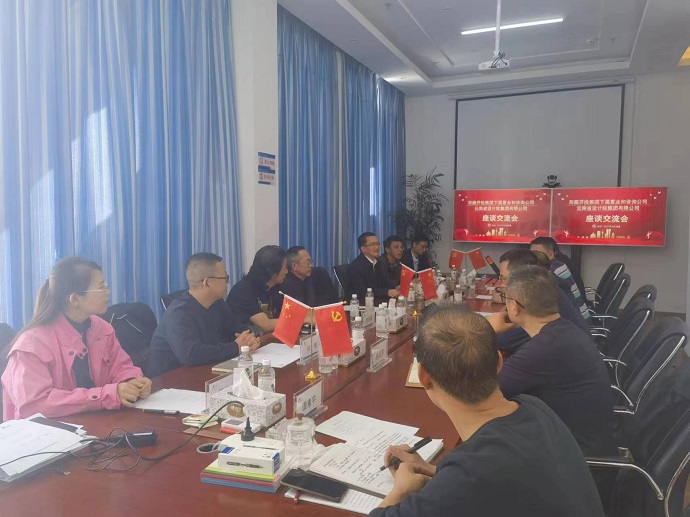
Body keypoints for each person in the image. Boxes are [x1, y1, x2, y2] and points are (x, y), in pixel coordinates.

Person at [370, 307, 604, 517]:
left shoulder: (471, 474)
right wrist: (438, 472)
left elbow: (476, 480)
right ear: (499, 362)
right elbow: (506, 483)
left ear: (423, 377)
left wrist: (401, 490)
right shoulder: (533, 406)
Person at [487, 265, 616, 459]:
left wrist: (485, 330)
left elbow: (482, 394)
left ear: (513, 306)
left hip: (574, 461)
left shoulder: (543, 349)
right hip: (581, 444)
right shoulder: (564, 330)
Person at [2, 257, 151, 420]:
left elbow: (120, 366)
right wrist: (104, 396)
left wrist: (131, 382)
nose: (107, 292)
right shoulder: (31, 345)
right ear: (75, 299)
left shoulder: (101, 328)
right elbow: (35, 406)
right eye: (101, 287)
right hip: (45, 431)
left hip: (93, 421)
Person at [147, 253, 260, 377]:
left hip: (207, 371)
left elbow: (239, 329)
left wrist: (250, 340)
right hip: (171, 381)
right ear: (207, 283)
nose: (227, 283)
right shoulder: (178, 313)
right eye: (225, 278)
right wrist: (236, 347)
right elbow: (191, 354)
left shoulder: (217, 304)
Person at [494, 248, 590, 354]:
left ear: (519, 278)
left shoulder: (541, 298)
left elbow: (504, 341)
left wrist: (491, 328)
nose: (502, 284)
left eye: (504, 278)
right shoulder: (546, 285)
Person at [226, 245, 287, 333]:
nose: (286, 272)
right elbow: (266, 325)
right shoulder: (243, 290)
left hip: (266, 338)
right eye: (284, 268)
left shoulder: (276, 287)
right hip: (244, 340)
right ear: (272, 270)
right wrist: (301, 320)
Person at [530, 236, 589, 322]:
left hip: (578, 321)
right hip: (575, 318)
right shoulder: (558, 264)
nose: (533, 257)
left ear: (551, 254)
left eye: (537, 253)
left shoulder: (556, 270)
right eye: (531, 253)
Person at [349, 233, 400, 302]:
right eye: (372, 244)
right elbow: (362, 291)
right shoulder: (356, 266)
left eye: (377, 244)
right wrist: (387, 292)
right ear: (363, 249)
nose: (377, 247)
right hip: (359, 304)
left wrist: (395, 288)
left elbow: (385, 283)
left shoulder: (379, 263)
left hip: (378, 301)